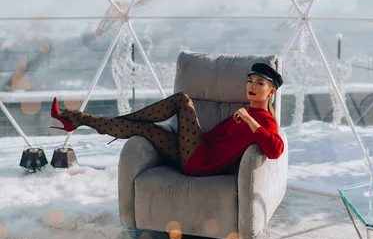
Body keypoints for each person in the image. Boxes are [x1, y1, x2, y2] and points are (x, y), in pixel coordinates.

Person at [50, 62, 284, 177]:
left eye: (259, 83)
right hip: (195, 149)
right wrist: (182, 135)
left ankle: (100, 122)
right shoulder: (243, 112)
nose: (251, 86)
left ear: (271, 91)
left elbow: (275, 150)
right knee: (144, 128)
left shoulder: (264, 120)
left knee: (182, 99)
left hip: (199, 163)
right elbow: (212, 138)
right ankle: (77, 119)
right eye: (250, 81)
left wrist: (250, 121)